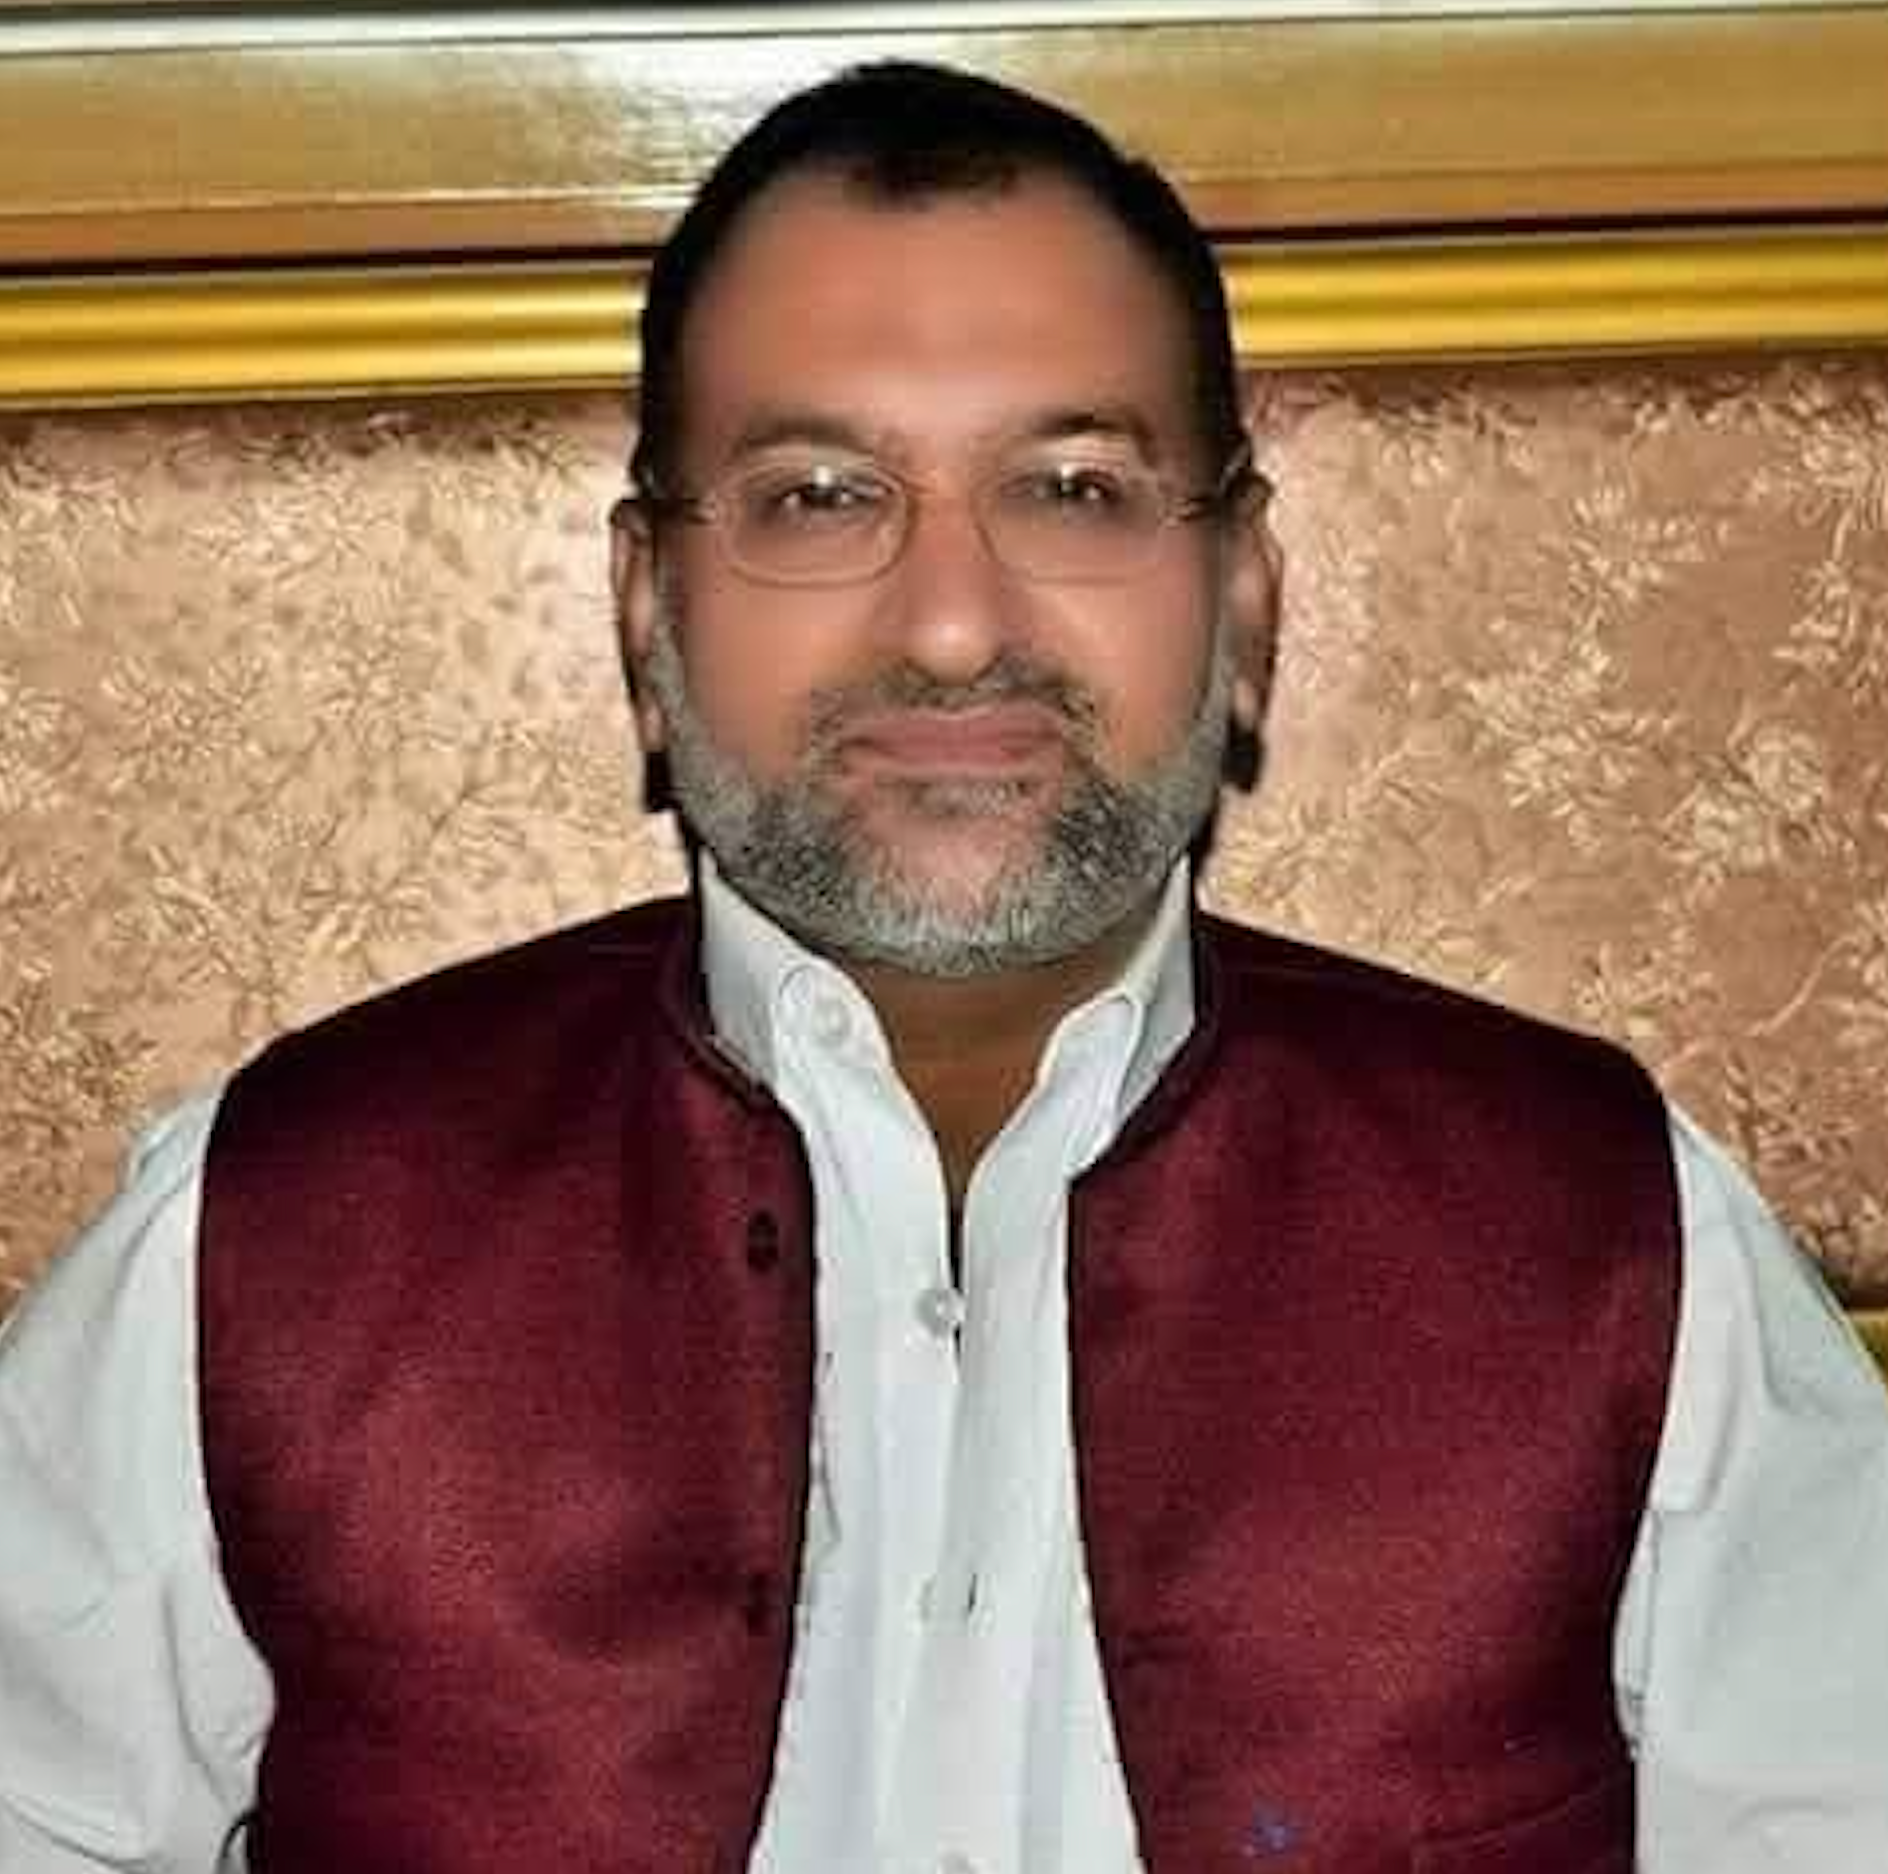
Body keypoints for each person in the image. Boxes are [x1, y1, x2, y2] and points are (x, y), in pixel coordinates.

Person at [3, 59, 1885, 1874]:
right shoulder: (265, 1237)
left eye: (1073, 485)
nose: (958, 623)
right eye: (820, 494)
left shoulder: (1612, 1237)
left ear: (1244, 596)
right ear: (650, 610)